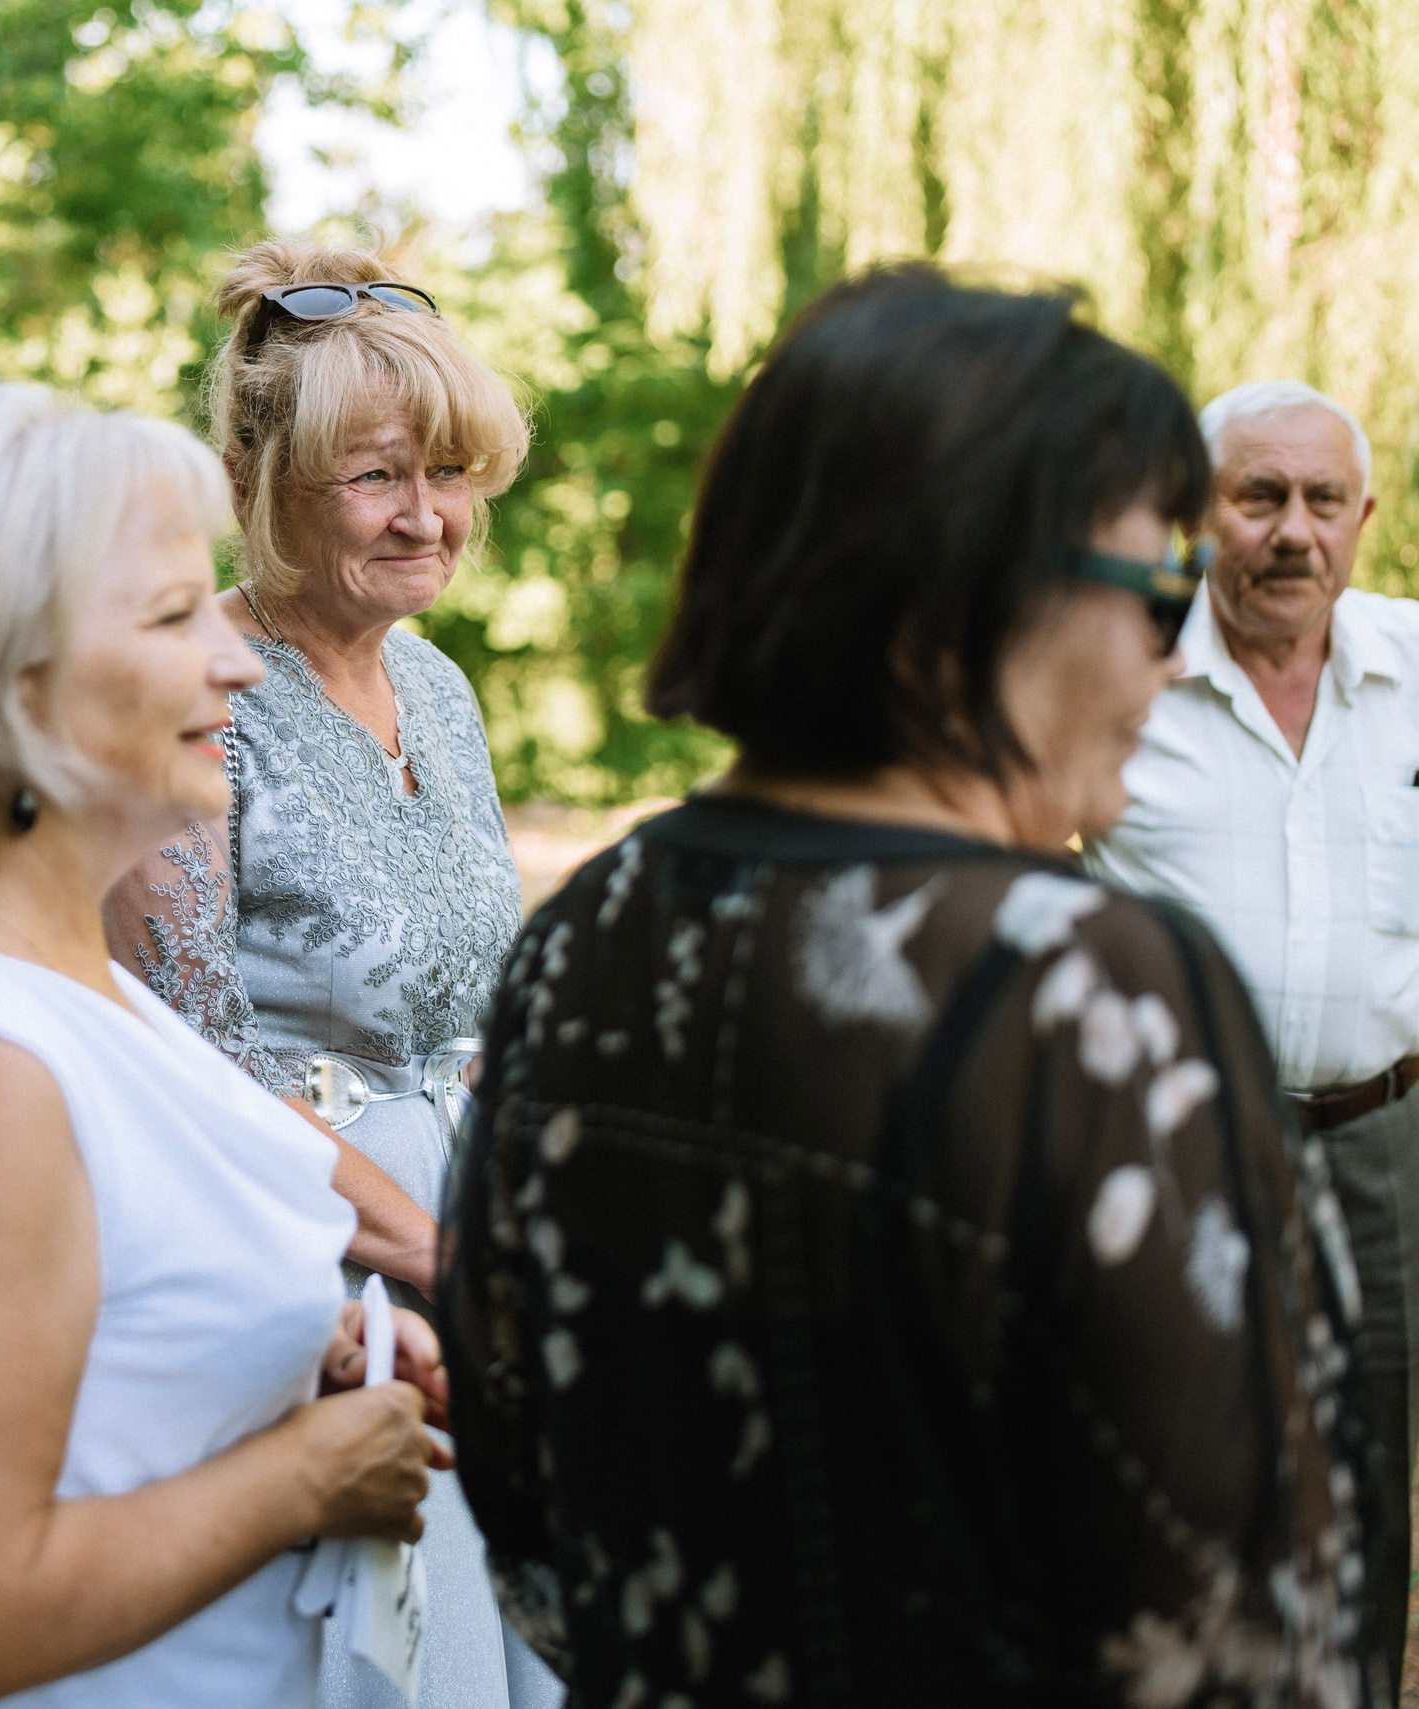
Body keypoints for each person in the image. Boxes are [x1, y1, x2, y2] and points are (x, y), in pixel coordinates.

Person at [442, 268, 1379, 1707]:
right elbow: (1252, 1629)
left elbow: (525, 1498)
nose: (1168, 649)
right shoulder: (1094, 989)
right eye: (1157, 585)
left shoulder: (585, 934)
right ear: (972, 595)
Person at [0, 382, 453, 1709]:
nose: (239, 659)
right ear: (12, 679)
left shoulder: (34, 947)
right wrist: (310, 1473)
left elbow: (93, 1319)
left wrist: (307, 1341)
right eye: (170, 616)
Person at [104, 240, 561, 1709]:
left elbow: (472, 1004)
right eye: (378, 477)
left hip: (462, 1246)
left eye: (452, 472)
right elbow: (184, 1077)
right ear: (260, 479)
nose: (429, 516)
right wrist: (436, 1260)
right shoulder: (197, 699)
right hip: (294, 1267)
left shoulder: (441, 684)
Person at [1086, 378, 1419, 1676]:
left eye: (1323, 500)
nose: (1294, 532)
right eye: (1258, 496)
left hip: (1384, 1139)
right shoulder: (1118, 663)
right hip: (1176, 1150)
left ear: (1364, 516)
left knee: (1369, 1490)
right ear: (1194, 512)